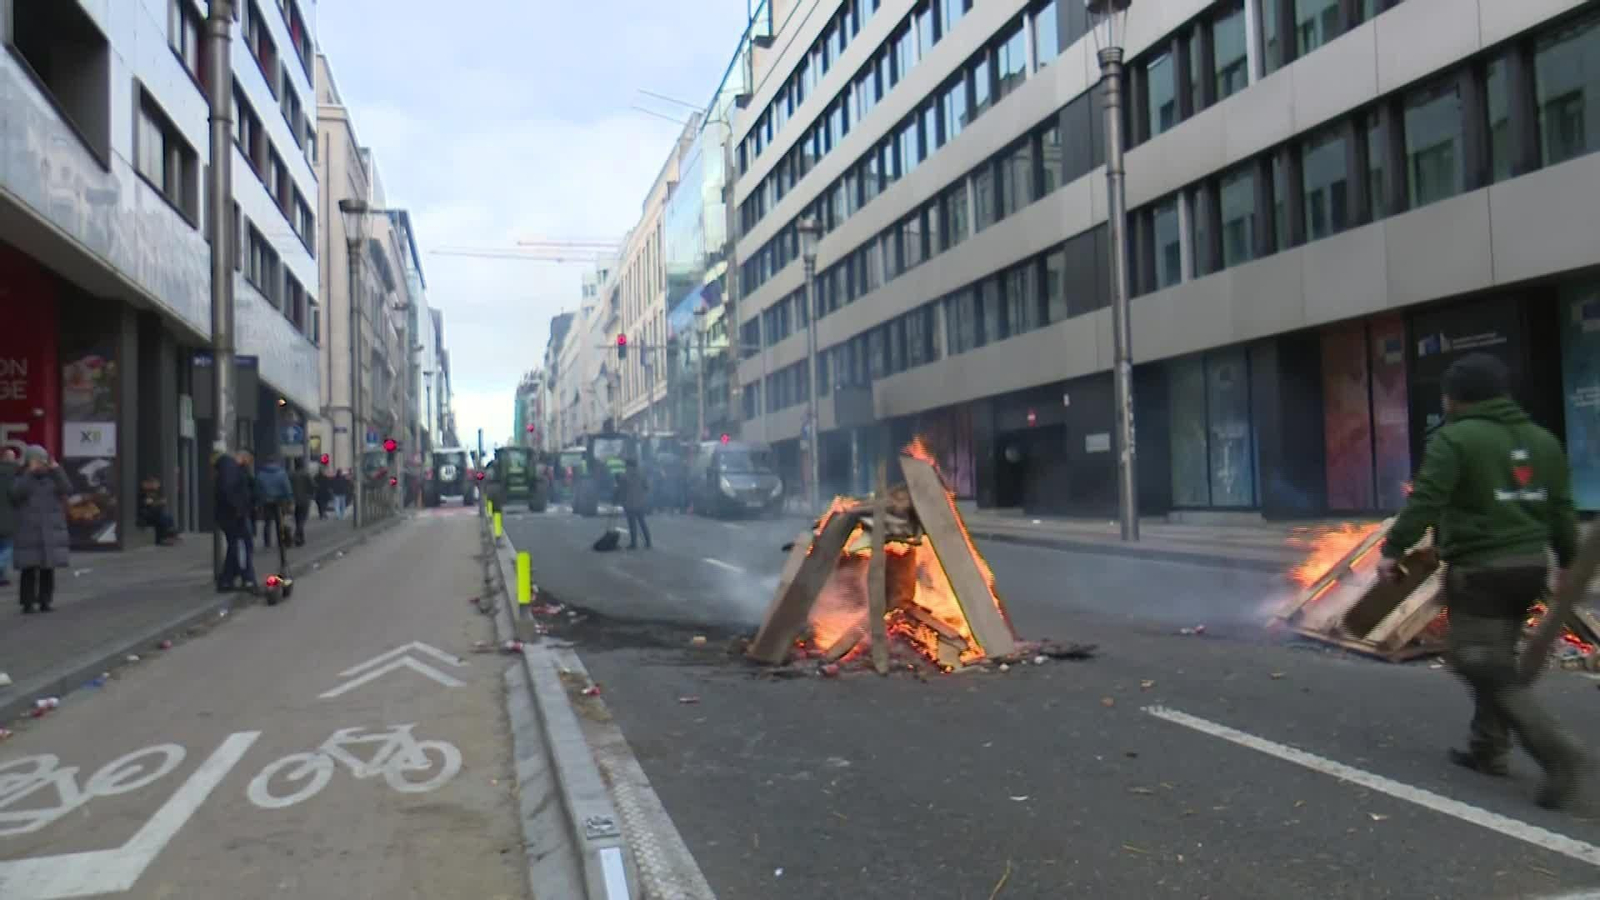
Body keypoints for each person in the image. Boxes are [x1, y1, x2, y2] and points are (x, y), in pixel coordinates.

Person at [1378, 352, 1587, 810]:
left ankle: (1558, 752)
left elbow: (1427, 498)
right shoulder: (1542, 440)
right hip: (1531, 567)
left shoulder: (1455, 440)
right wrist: (1568, 559)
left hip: (1481, 570)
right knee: (1498, 658)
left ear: (1455, 398)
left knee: (1476, 660)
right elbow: (1560, 509)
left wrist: (1393, 549)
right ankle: (1487, 748)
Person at [10, 445, 71, 613]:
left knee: (47, 568)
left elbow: (67, 488)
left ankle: (45, 601)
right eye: (37, 461)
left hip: (50, 529)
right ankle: (27, 603)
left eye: (42, 460)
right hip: (29, 530)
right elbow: (16, 494)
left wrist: (57, 469)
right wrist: (29, 473)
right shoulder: (21, 477)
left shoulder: (53, 477)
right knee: (28, 569)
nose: (41, 464)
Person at [214, 449, 257, 593]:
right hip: (233, 516)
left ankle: (227, 579)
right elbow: (228, 490)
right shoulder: (230, 467)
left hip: (232, 515)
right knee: (242, 545)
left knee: (237, 546)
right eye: (249, 460)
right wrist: (238, 508)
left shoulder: (233, 468)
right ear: (244, 457)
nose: (249, 464)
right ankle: (246, 579)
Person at [255, 455, 293, 549]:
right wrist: (289, 500)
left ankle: (267, 542)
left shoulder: (261, 474)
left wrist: (259, 501)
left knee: (267, 522)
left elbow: (258, 489)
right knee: (280, 521)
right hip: (280, 501)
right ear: (275, 463)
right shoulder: (281, 473)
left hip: (266, 500)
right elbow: (286, 488)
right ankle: (281, 541)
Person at [616, 457, 651, 550]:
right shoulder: (642, 474)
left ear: (628, 466)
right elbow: (647, 487)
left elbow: (620, 489)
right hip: (640, 503)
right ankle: (648, 542)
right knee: (642, 523)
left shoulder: (624, 476)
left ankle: (634, 543)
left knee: (632, 524)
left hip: (629, 503)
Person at [137, 475, 179, 545]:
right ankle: (163, 539)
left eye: (156, 483)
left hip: (154, 514)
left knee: (168, 518)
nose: (155, 485)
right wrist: (158, 503)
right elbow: (147, 504)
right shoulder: (142, 493)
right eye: (152, 483)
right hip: (145, 516)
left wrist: (158, 503)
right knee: (163, 518)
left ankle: (170, 536)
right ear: (145, 484)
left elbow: (157, 504)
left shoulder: (157, 493)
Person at [0, 448, 19, 587]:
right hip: (8, 516)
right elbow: (17, 495)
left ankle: (1, 577)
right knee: (8, 547)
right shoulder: (15, 474)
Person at [291, 460, 314, 546]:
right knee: (303, 519)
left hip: (295, 500)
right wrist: (311, 494)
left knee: (298, 518)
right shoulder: (306, 474)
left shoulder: (292, 475)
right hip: (305, 500)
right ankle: (297, 535)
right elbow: (313, 485)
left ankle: (301, 539)